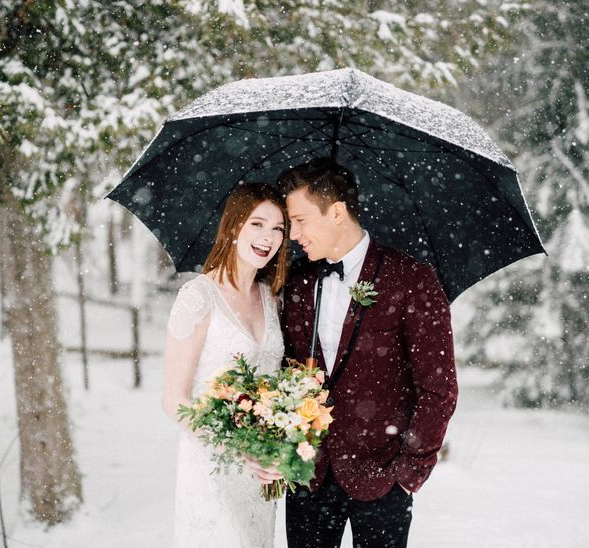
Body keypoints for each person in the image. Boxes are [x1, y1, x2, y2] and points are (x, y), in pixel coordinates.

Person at [278, 158, 458, 548]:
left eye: (301, 220)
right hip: (309, 475)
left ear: (336, 212)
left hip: (384, 478)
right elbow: (285, 368)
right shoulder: (296, 281)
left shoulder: (411, 278)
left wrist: (408, 472)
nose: (294, 234)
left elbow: (438, 388)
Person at [163, 183, 288, 548]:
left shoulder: (272, 299)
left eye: (278, 229)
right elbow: (173, 399)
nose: (268, 237)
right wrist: (234, 447)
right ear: (233, 226)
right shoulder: (198, 296)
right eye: (257, 224)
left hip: (261, 471)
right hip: (213, 466)